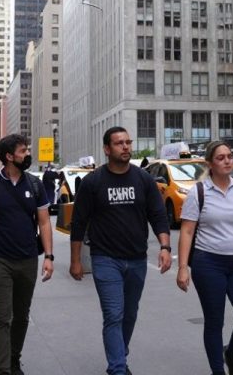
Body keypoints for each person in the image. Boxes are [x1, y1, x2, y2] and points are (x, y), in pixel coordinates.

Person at [70, 127, 172, 375]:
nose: (125, 147)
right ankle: (117, 368)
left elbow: (157, 215)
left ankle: (120, 352)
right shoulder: (93, 182)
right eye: (119, 143)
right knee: (114, 314)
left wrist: (166, 246)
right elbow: (79, 223)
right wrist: (76, 261)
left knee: (130, 313)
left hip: (137, 258)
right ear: (107, 149)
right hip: (105, 259)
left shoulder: (143, 179)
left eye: (128, 142)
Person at [0, 134, 54, 375]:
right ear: (9, 156)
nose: (27, 154)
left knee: (21, 316)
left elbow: (44, 223)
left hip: (27, 260)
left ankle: (14, 359)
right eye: (23, 151)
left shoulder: (35, 185)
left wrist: (49, 256)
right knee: (3, 317)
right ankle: (2, 369)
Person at [176, 141, 233, 375]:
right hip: (208, 263)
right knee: (215, 321)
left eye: (230, 156)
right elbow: (187, 231)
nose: (227, 161)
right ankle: (218, 371)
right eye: (221, 157)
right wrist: (183, 267)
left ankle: (230, 353)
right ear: (210, 163)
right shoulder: (199, 192)